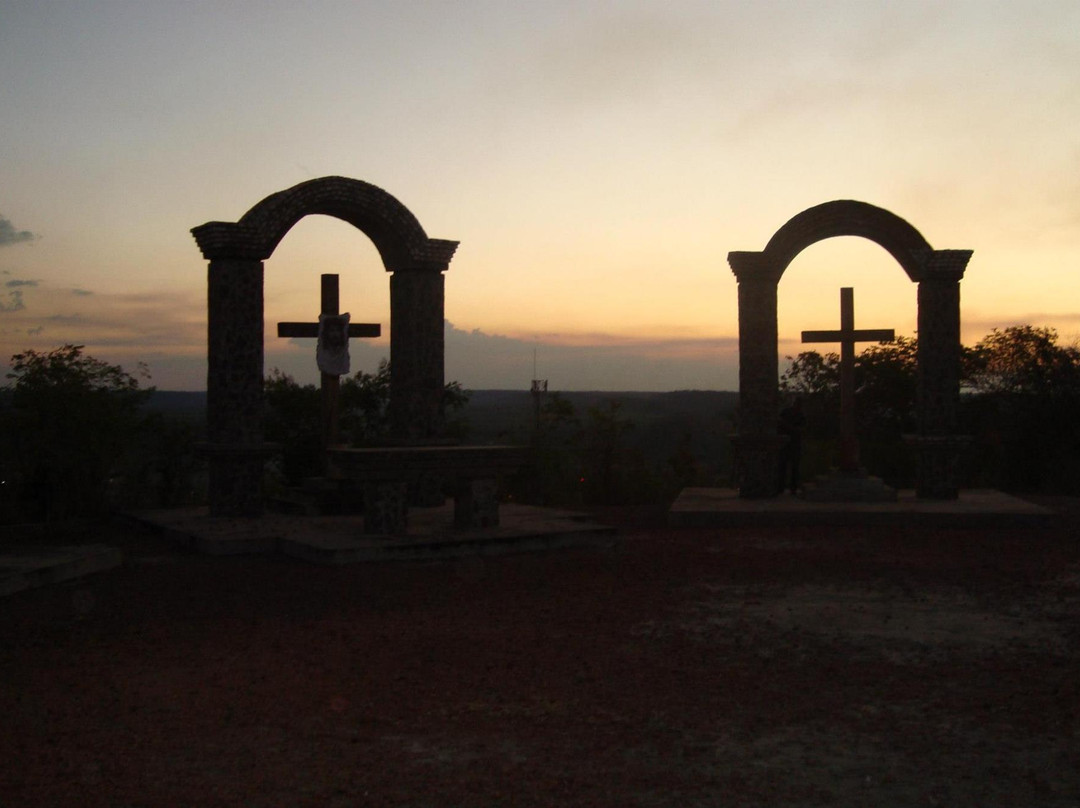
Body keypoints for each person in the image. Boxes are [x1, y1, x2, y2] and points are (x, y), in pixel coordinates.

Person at [777, 397, 806, 494]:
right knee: (783, 466)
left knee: (793, 467)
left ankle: (792, 487)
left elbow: (801, 429)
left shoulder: (800, 415)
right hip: (785, 443)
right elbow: (779, 422)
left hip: (794, 443)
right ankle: (781, 487)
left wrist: (789, 428)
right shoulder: (786, 412)